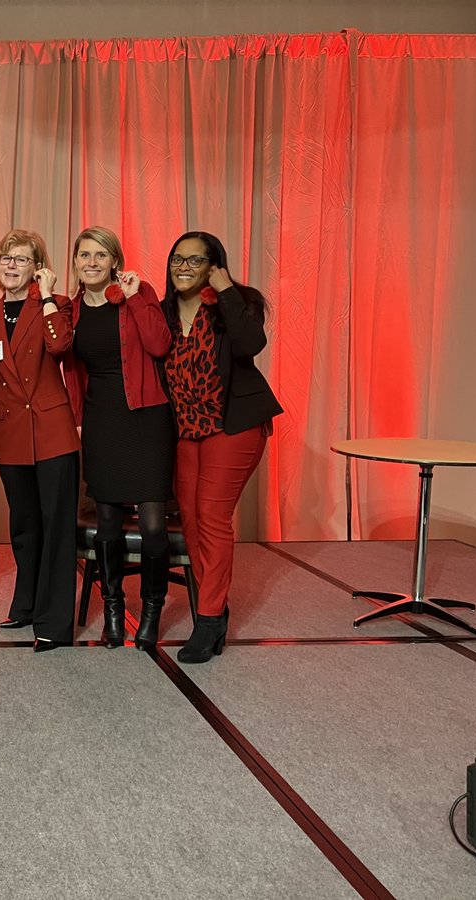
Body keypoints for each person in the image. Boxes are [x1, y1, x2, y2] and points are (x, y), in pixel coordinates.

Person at [159, 231, 282, 663]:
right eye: (178, 260)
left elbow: (252, 346)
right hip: (187, 429)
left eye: (195, 261)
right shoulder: (164, 312)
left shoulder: (238, 301)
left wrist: (225, 289)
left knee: (212, 516)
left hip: (233, 426)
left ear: (215, 265)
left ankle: (207, 619)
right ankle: (216, 608)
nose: (184, 268)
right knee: (191, 520)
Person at [63, 226, 174, 650]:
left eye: (100, 255)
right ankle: (112, 607)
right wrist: (77, 420)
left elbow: (159, 344)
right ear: (74, 261)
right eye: (84, 254)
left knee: (151, 525)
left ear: (114, 261)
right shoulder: (71, 309)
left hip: (146, 418)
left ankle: (151, 609)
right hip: (101, 419)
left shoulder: (138, 293)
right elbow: (72, 372)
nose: (91, 262)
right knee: (107, 525)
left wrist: (131, 297)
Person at [0, 229, 79, 652]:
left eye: (21, 259)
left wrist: (50, 296)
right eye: (6, 258)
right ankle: (26, 604)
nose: (11, 265)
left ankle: (54, 621)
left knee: (56, 527)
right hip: (9, 430)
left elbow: (60, 346)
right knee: (23, 525)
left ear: (38, 267)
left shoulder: (56, 306)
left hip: (52, 430)